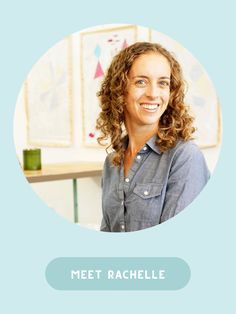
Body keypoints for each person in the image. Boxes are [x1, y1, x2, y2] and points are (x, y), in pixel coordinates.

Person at [96, 42, 210, 232]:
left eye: (163, 83)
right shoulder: (112, 163)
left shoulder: (185, 157)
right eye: (141, 81)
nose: (153, 94)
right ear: (119, 90)